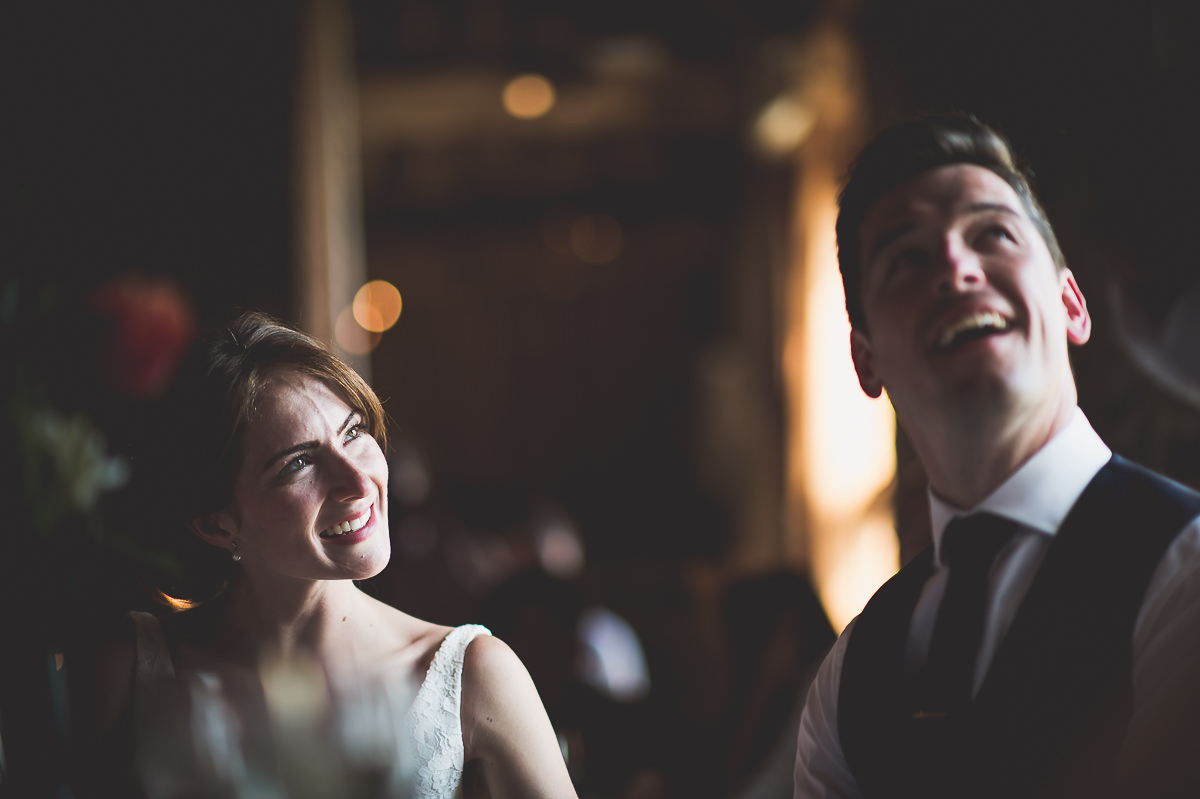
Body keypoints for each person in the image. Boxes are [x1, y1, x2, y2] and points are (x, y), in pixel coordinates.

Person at [793, 115, 1200, 798]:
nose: (956, 266)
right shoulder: (848, 675)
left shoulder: (1183, 569)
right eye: (907, 259)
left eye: (993, 234)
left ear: (1071, 302)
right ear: (865, 359)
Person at [71, 310, 579, 799]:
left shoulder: (475, 676)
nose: (360, 482)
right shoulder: (129, 667)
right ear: (215, 523)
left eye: (354, 432)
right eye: (298, 463)